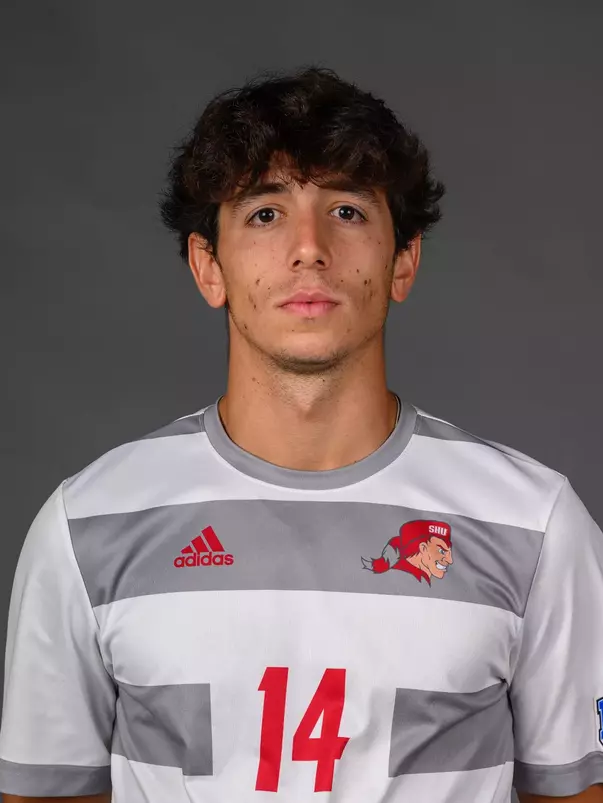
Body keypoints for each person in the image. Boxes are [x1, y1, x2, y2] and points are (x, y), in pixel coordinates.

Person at [0, 66, 601, 803]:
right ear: (207, 267)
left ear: (401, 260)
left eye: (347, 211)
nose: (308, 248)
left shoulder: (535, 525)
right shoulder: (84, 528)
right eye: (263, 213)